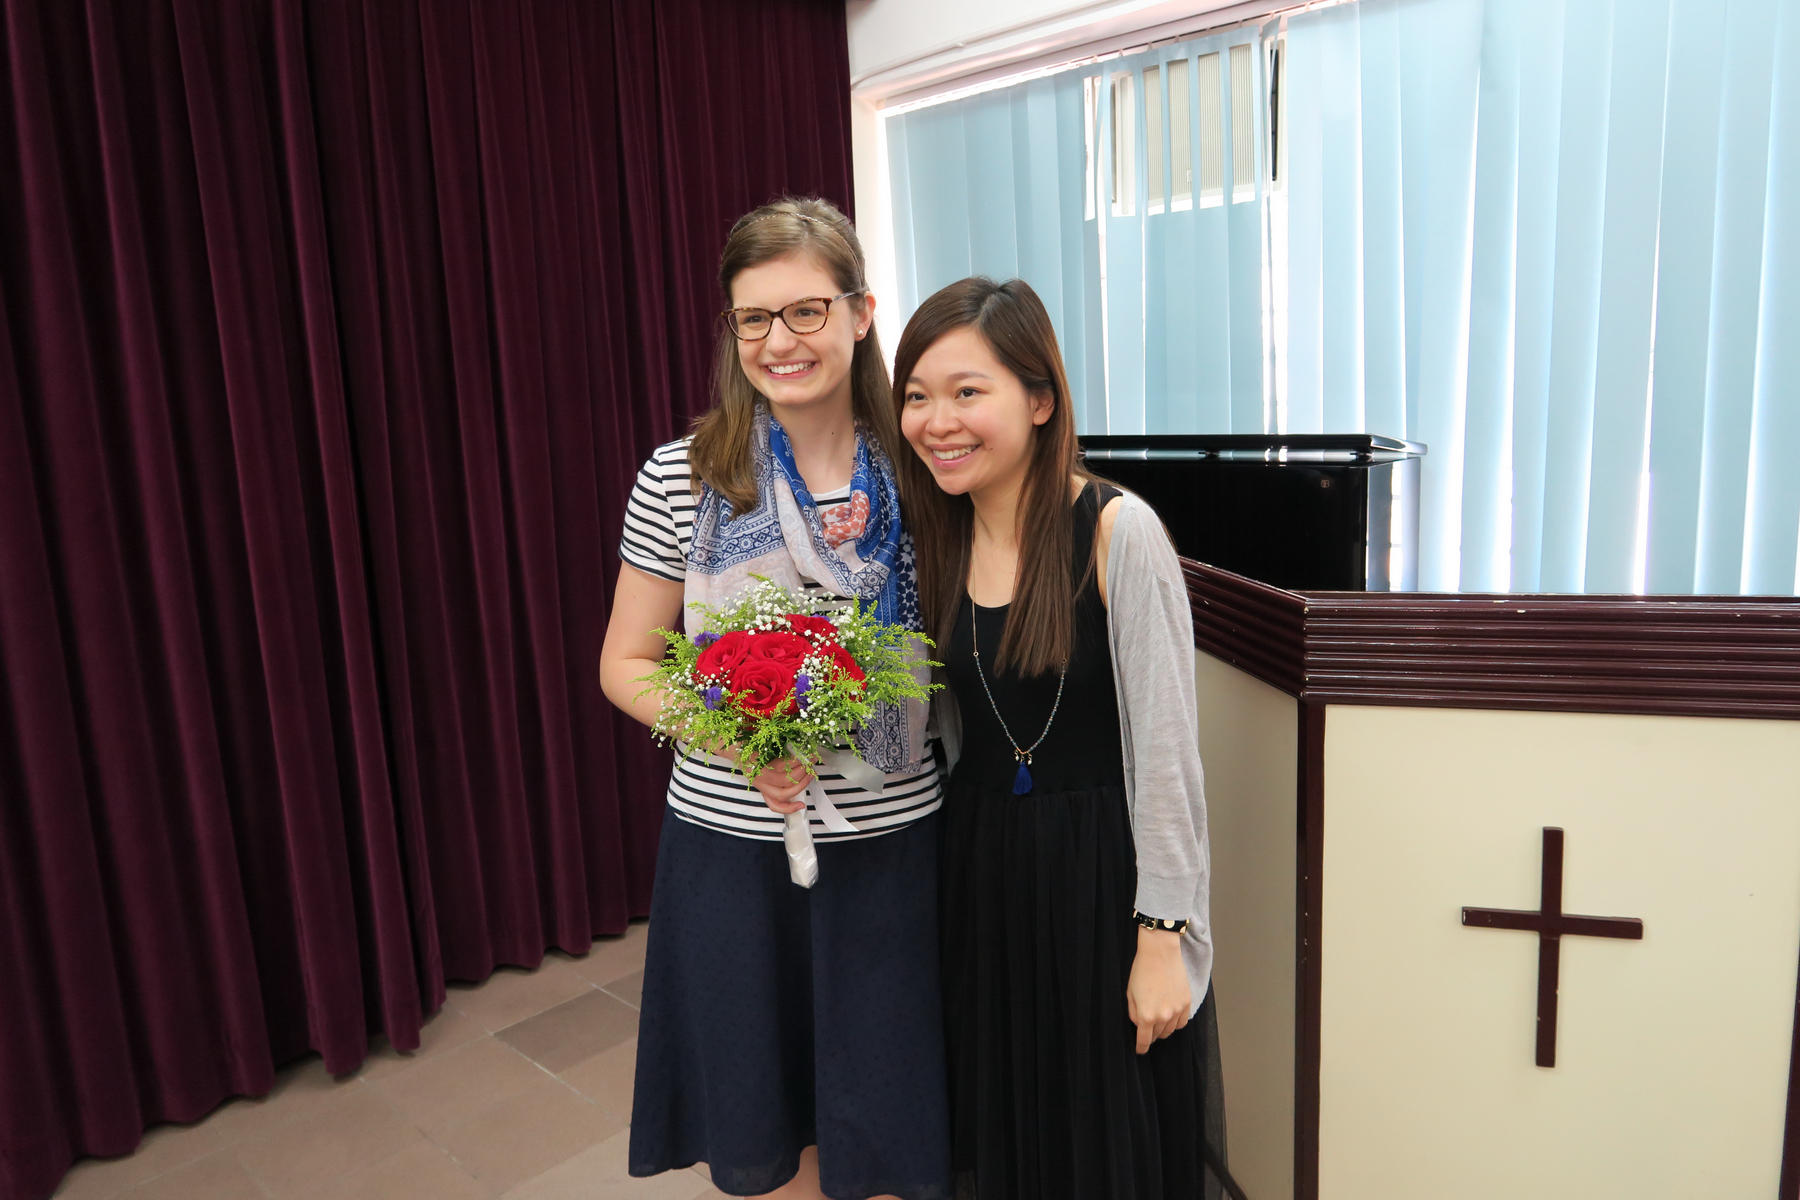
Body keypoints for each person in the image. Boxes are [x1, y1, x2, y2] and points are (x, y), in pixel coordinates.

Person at [598, 197, 951, 1200]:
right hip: (732, 852)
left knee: (892, 1118)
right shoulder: (682, 476)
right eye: (754, 318)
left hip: (893, 846)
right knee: (767, 1127)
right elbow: (625, 662)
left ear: (862, 313)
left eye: (806, 311)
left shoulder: (924, 473)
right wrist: (739, 736)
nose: (779, 341)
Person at [891, 277, 1235, 1200]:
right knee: (1009, 1127)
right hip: (981, 874)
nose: (937, 421)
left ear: (1040, 400)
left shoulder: (1118, 531)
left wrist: (1163, 936)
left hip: (1101, 879)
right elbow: (921, 732)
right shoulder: (934, 540)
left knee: (1102, 1139)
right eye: (916, 396)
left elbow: (1169, 756)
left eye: (967, 391)